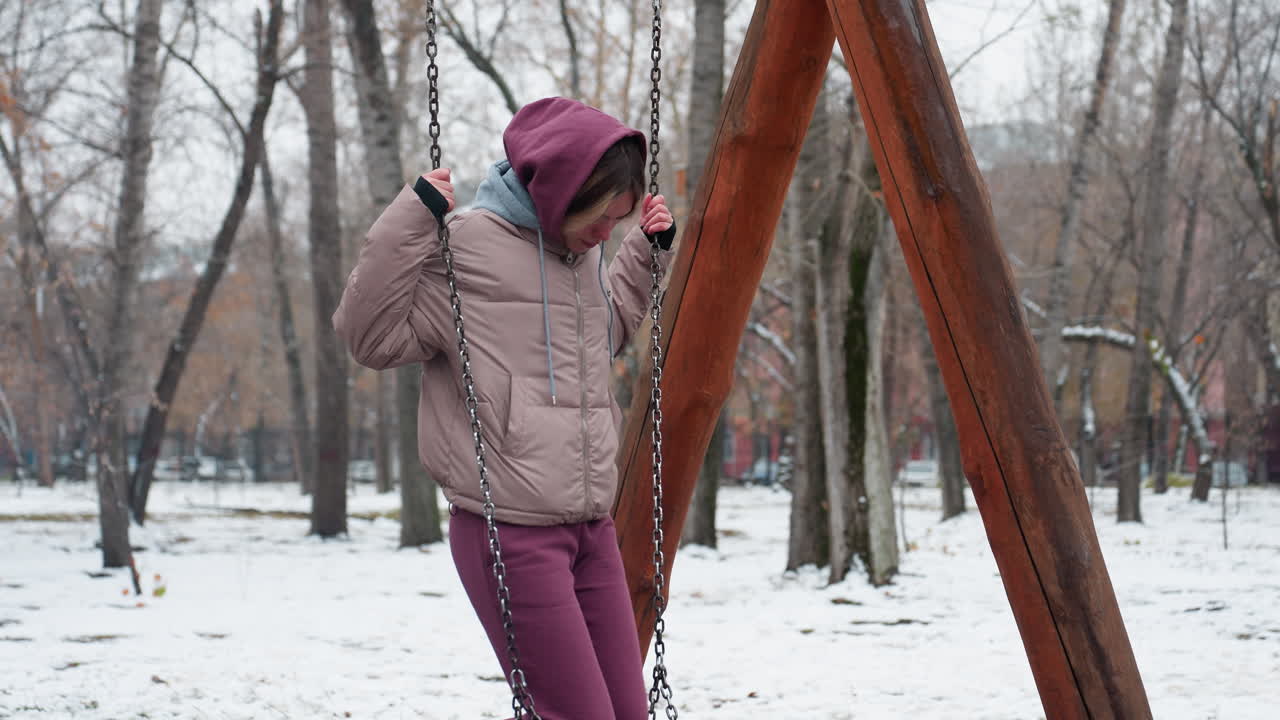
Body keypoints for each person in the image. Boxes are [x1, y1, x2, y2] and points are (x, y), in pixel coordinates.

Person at [333, 97, 676, 720]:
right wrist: (410, 218)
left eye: (618, 220)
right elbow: (370, 338)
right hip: (509, 533)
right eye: (601, 218)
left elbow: (608, 336)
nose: (607, 233)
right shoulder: (463, 246)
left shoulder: (584, 256)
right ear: (560, 191)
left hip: (592, 528)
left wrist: (644, 255)